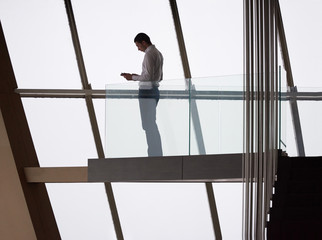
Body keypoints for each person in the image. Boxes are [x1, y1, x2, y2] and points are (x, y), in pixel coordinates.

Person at [121, 33, 163, 156]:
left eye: (138, 45)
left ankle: (154, 154)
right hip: (154, 90)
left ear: (144, 42)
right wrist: (139, 76)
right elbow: (158, 77)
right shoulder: (158, 53)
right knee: (151, 123)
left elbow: (149, 76)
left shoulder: (149, 54)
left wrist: (133, 77)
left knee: (148, 125)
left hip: (147, 92)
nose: (138, 49)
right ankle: (156, 153)